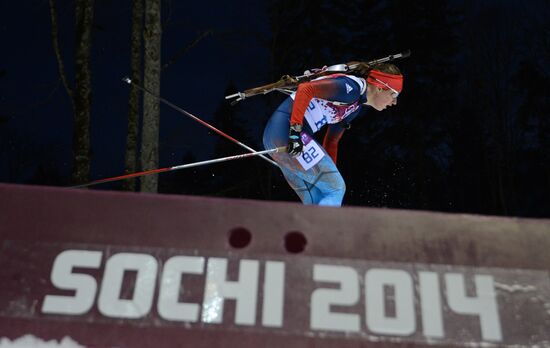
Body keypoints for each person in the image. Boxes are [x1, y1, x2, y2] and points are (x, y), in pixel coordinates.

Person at [262, 63, 403, 207]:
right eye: (394, 94)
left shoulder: (355, 107)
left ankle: (312, 228)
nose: (395, 102)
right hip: (287, 132)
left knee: (318, 198)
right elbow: (305, 89)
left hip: (277, 137)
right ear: (380, 87)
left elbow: (331, 141)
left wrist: (331, 172)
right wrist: (294, 133)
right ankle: (327, 227)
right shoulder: (350, 88)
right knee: (335, 189)